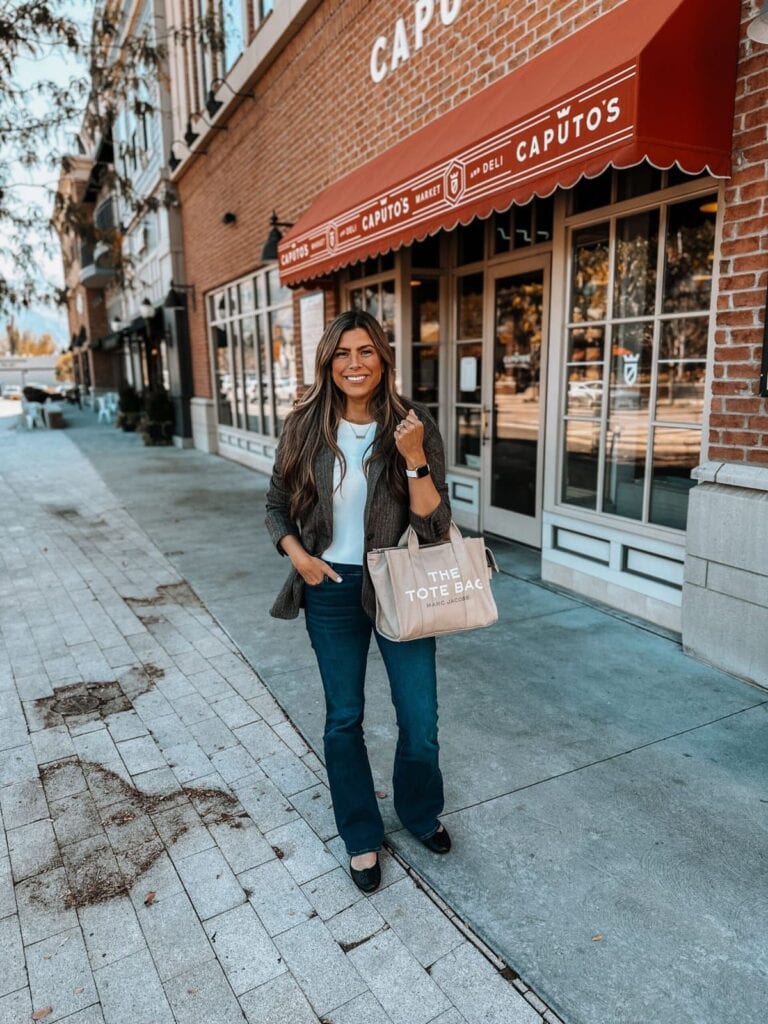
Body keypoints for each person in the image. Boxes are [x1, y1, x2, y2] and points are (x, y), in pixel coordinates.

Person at [265, 309, 452, 894]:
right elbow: (275, 504)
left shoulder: (412, 423)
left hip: (398, 582)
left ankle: (419, 813)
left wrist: (415, 456)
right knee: (344, 719)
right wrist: (298, 555)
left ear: (383, 359)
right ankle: (360, 834)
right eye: (343, 353)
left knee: (419, 721)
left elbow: (435, 523)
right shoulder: (303, 426)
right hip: (331, 588)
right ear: (328, 361)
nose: (355, 364)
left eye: (366, 351)